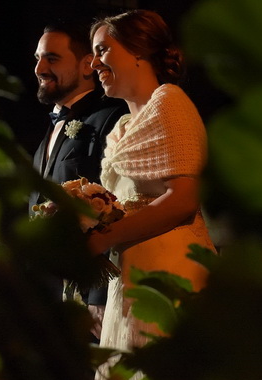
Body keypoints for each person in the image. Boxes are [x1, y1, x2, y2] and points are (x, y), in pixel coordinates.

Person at [87, 10, 215, 352]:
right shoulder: (122, 128)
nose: (93, 64)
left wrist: (105, 238)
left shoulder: (169, 104)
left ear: (138, 50)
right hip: (131, 273)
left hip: (169, 270)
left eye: (102, 50)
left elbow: (183, 198)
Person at [31, 18, 127, 333]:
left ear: (88, 65)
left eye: (52, 58)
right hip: (44, 297)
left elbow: (116, 205)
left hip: (85, 297)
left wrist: (99, 295)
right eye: (38, 59)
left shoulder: (110, 120)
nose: (39, 68)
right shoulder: (47, 133)